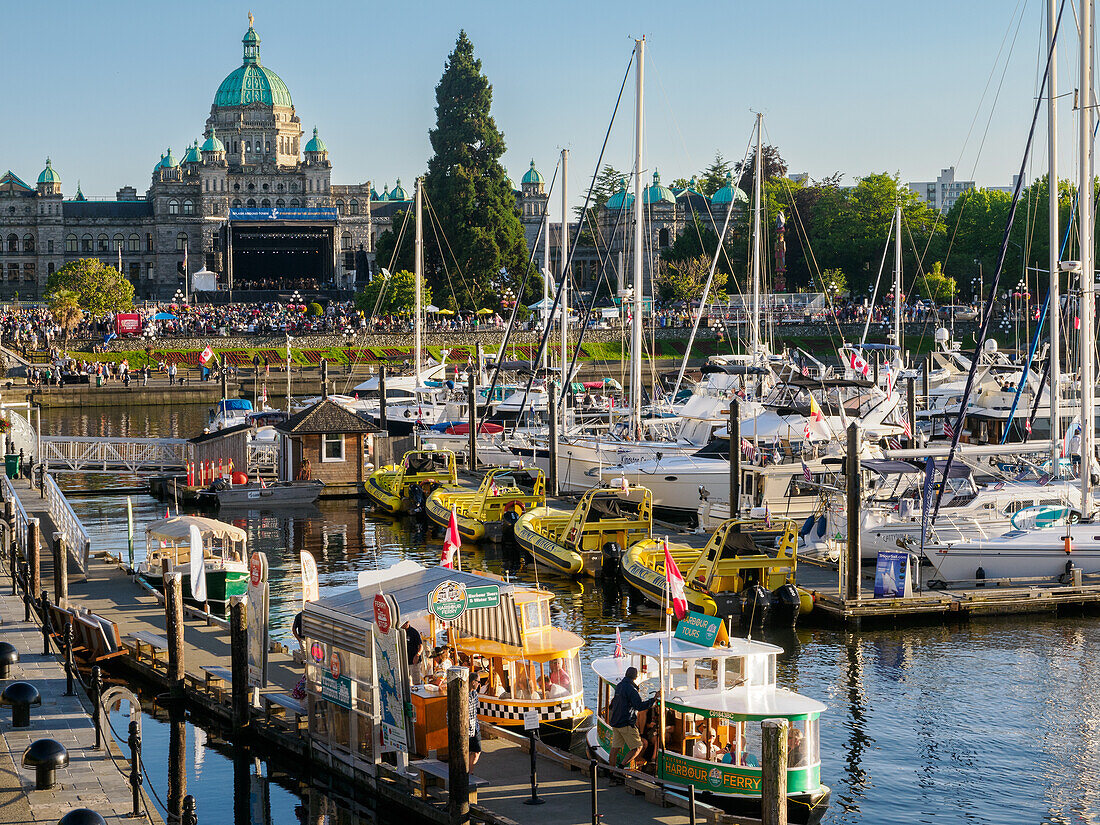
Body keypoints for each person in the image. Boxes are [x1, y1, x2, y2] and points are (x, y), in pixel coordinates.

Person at [608, 666, 657, 780]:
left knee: (614, 749)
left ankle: (611, 773)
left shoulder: (619, 686)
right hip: (626, 723)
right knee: (638, 747)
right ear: (635, 677)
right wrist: (653, 699)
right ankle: (621, 768)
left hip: (616, 723)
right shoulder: (631, 689)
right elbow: (639, 706)